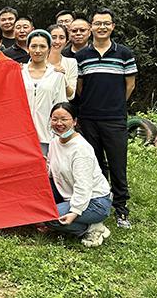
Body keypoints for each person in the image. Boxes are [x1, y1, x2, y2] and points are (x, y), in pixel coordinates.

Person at [76, 8, 137, 228]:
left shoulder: (124, 54)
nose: (102, 27)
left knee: (118, 164)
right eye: (97, 23)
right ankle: (100, 202)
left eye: (106, 23)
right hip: (89, 117)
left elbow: (130, 85)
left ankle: (121, 209)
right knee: (95, 164)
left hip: (114, 118)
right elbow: (80, 86)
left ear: (112, 26)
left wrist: (115, 104)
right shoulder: (82, 56)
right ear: (91, 27)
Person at [45, 102, 113, 247]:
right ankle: (82, 219)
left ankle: (92, 228)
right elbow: (50, 171)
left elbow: (84, 186)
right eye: (55, 119)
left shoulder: (81, 149)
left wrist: (74, 212)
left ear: (75, 121)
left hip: (95, 201)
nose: (59, 123)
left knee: (50, 217)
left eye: (64, 119)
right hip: (69, 194)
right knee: (40, 209)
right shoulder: (54, 143)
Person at [21, 30, 67, 156]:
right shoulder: (19, 72)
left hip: (47, 135)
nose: (38, 50)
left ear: (49, 49)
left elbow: (61, 105)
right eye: (34, 46)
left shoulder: (57, 75)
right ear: (28, 48)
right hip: (21, 134)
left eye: (42, 46)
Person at [47, 24, 78, 99]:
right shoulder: (36, 61)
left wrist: (62, 77)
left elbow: (71, 95)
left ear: (66, 41)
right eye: (53, 37)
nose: (57, 41)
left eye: (61, 38)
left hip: (61, 105)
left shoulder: (71, 63)